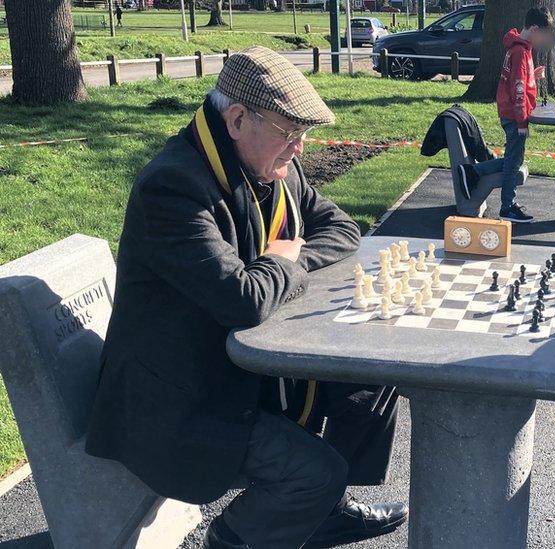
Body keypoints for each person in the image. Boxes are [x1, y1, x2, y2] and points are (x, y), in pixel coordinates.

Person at [85, 47, 408, 549]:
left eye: (303, 135)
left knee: (373, 383)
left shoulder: (273, 166)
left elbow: (343, 227)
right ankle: (235, 537)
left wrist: (286, 262)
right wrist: (284, 262)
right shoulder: (172, 187)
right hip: (180, 400)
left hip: (239, 366)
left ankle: (325, 512)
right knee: (312, 471)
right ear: (237, 119)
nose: (300, 149)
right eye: (290, 133)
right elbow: (244, 298)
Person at [454, 7, 555, 223]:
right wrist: (522, 121)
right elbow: (518, 89)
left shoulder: (520, 48)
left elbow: (518, 81)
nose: (544, 40)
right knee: (513, 163)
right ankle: (507, 206)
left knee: (513, 159)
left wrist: (533, 77)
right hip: (515, 115)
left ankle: (473, 171)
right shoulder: (520, 51)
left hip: (511, 112)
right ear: (534, 28)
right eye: (544, 34)